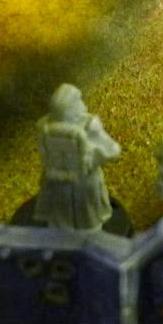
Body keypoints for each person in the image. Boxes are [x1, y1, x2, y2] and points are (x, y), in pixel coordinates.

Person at [34, 84, 123, 230]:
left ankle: (62, 227)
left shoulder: (45, 127)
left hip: (54, 181)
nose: (82, 104)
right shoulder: (89, 126)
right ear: (71, 108)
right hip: (83, 182)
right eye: (79, 101)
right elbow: (113, 150)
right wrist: (95, 156)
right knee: (86, 209)